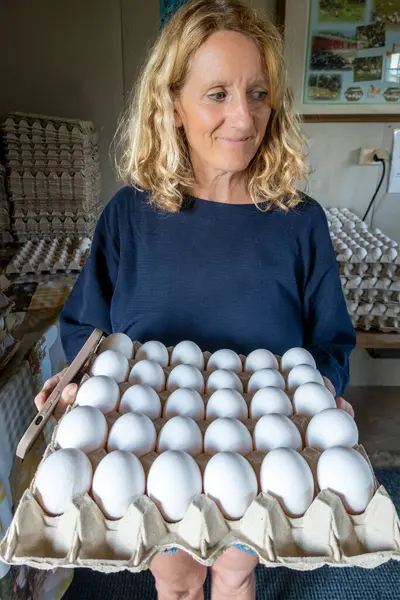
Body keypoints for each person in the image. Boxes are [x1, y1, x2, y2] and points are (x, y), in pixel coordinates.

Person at [34, 1, 356, 598]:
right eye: (217, 94)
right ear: (173, 103)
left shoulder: (298, 223)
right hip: (155, 458)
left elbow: (329, 340)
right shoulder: (130, 217)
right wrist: (78, 385)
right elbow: (86, 328)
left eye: (258, 93)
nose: (243, 116)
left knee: (235, 574)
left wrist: (324, 399)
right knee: (177, 581)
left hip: (262, 456)